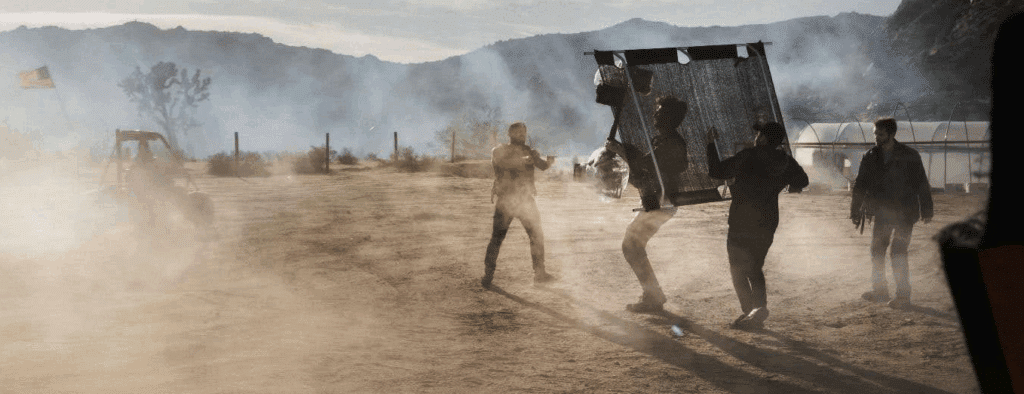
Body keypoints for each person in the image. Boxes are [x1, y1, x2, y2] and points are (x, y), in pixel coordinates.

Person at [706, 121, 809, 329]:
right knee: (754, 267)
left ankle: (751, 311)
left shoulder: (748, 156)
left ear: (762, 138)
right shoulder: (784, 161)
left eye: (759, 134)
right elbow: (803, 181)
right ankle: (757, 310)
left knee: (738, 268)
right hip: (768, 221)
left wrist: (710, 144)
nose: (756, 137)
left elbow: (716, 171)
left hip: (741, 220)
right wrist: (789, 185)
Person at [601, 95, 690, 313]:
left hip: (661, 202)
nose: (655, 115)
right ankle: (653, 294)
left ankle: (653, 295)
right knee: (633, 245)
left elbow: (646, 165)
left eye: (659, 112)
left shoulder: (671, 143)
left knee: (631, 245)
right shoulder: (667, 141)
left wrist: (621, 151)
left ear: (669, 117)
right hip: (659, 202)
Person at [851, 117, 933, 309]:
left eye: (880, 134)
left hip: (906, 213)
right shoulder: (870, 156)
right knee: (877, 251)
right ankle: (880, 291)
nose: (876, 138)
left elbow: (922, 183)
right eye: (875, 134)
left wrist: (927, 210)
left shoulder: (910, 155)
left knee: (898, 252)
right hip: (882, 213)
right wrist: (855, 209)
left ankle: (903, 296)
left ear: (891, 134)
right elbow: (860, 184)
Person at [482, 122, 557, 288]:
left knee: (537, 235)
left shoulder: (529, 151)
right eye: (519, 132)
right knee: (497, 238)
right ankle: (488, 274)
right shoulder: (500, 150)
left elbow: (542, 166)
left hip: (525, 200)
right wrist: (523, 160)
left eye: (524, 132)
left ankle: (540, 274)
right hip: (507, 200)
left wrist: (549, 162)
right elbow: (501, 163)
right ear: (510, 133)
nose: (523, 135)